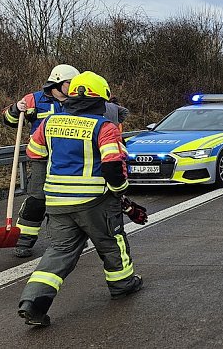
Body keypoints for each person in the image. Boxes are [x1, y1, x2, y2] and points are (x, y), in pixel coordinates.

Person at [18, 71, 142, 327]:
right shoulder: (103, 127)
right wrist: (121, 192)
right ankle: (122, 284)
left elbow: (34, 154)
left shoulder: (49, 123)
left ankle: (32, 302)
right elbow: (112, 166)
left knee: (59, 252)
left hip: (57, 202)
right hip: (94, 201)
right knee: (111, 242)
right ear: (101, 100)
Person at [2, 64, 80, 258]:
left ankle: (69, 240)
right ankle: (24, 240)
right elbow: (9, 120)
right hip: (42, 159)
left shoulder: (79, 102)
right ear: (59, 82)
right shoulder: (34, 100)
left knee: (69, 202)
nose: (75, 88)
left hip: (70, 159)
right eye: (71, 84)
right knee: (37, 199)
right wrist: (15, 109)